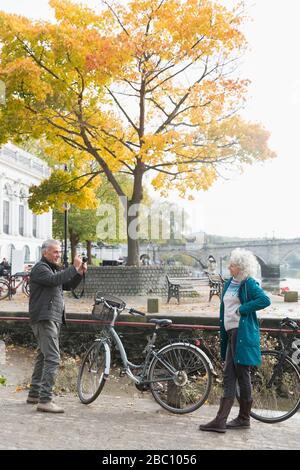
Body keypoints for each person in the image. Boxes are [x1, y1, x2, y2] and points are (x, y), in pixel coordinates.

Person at [199, 248, 271, 433]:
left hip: (242, 333)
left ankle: (242, 418)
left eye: (232, 265)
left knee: (241, 373)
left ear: (240, 267)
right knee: (230, 374)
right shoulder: (230, 282)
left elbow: (264, 300)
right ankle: (222, 420)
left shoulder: (248, 283)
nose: (229, 267)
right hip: (231, 332)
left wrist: (242, 309)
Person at [27, 239, 87, 413]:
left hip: (50, 317)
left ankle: (34, 394)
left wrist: (79, 274)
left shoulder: (51, 268)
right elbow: (54, 280)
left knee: (43, 356)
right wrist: (73, 268)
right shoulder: (40, 268)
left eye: (59, 252)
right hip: (45, 318)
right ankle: (45, 400)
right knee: (53, 358)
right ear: (44, 252)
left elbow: (65, 285)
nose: (58, 255)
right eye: (55, 252)